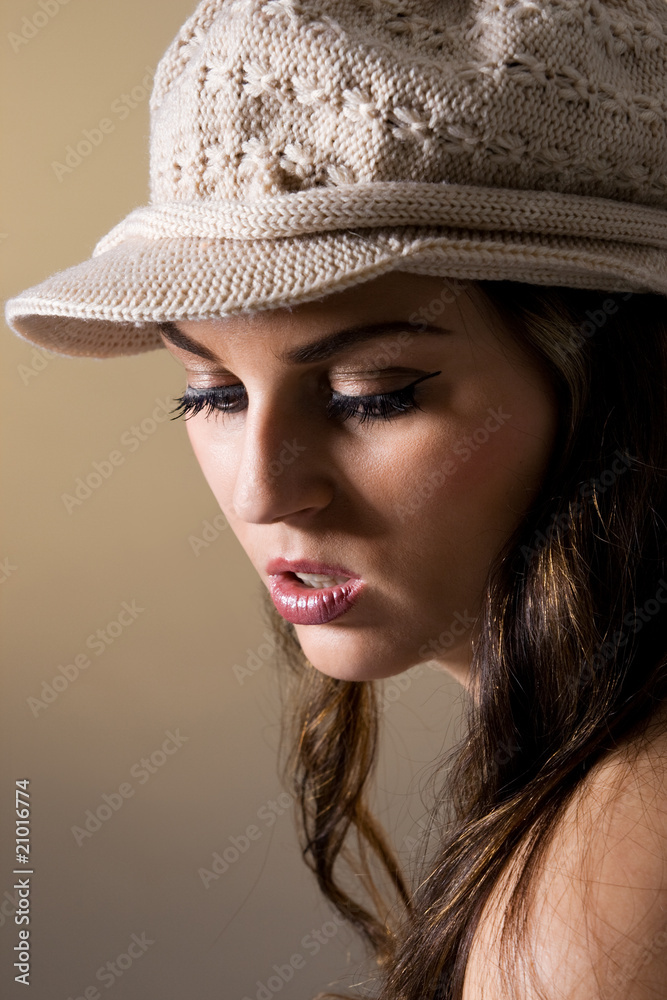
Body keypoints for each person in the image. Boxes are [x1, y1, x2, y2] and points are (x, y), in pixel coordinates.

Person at [5, 1, 667, 997]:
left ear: (621, 374)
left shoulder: (593, 907)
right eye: (211, 391)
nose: (262, 490)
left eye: (372, 394)